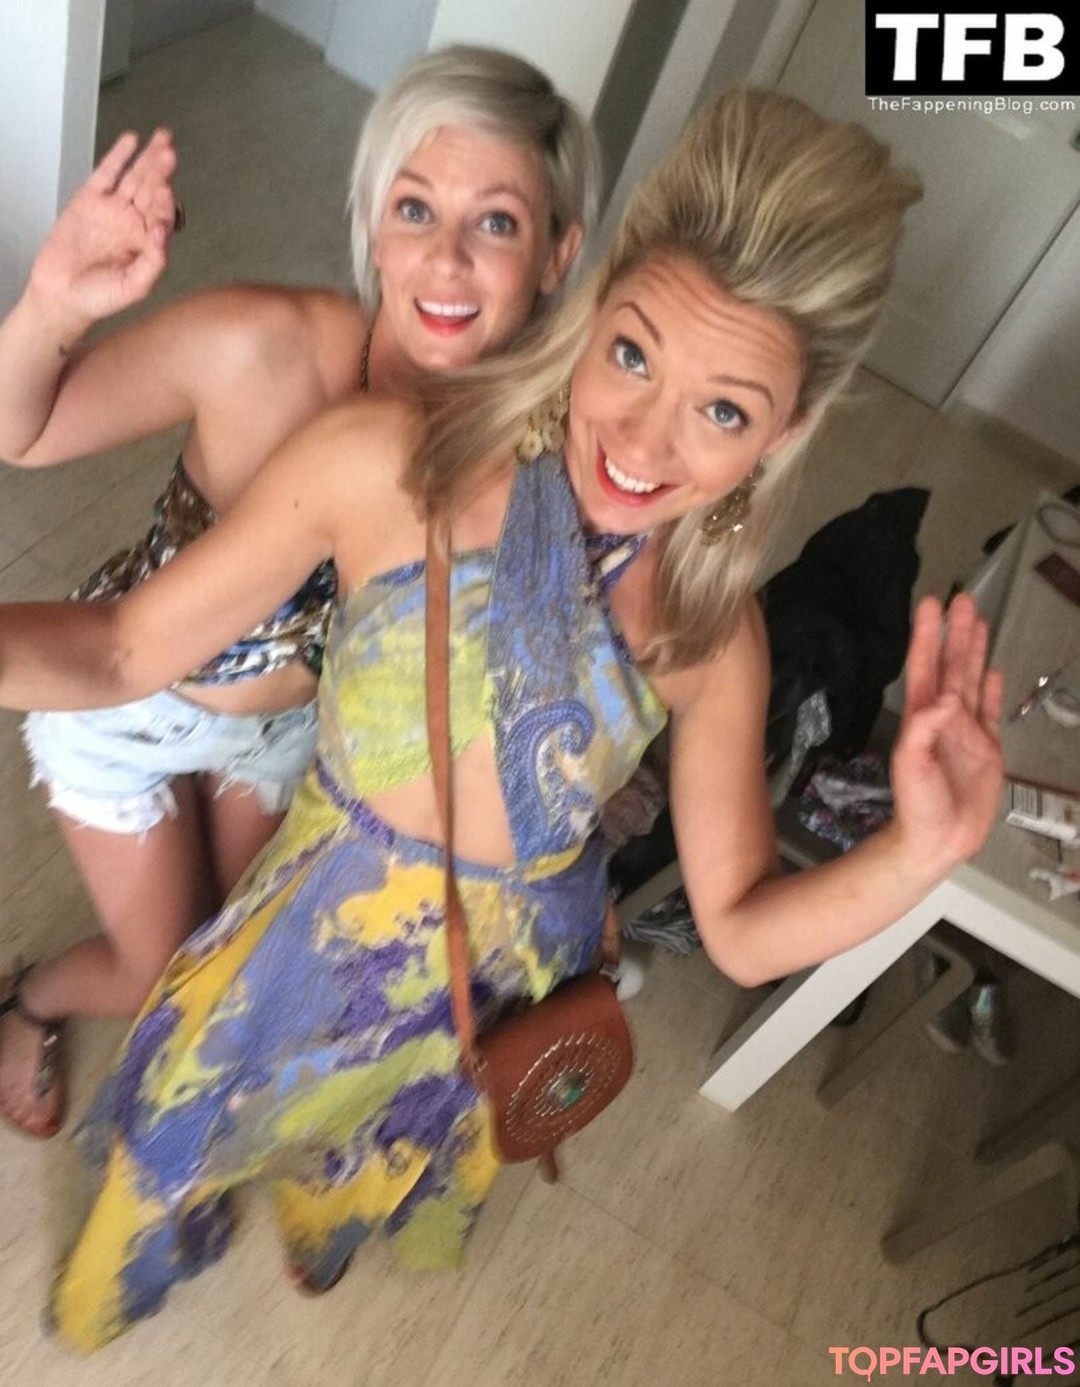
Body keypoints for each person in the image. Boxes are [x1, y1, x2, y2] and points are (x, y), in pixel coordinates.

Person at [0, 86, 1001, 1352]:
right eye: (632, 356)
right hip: (308, 929)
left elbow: (744, 928)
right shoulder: (390, 463)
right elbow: (117, 648)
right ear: (591, 309)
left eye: (724, 411)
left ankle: (325, 1222)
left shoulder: (710, 631)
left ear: (783, 431)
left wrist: (921, 850)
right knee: (186, 1127)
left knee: (384, 1150)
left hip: (504, 977)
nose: (642, 439)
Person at [0, 46, 596, 1138]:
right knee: (154, 975)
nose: (446, 260)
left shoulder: (534, 446)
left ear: (558, 252)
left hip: (285, 741)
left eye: (497, 222)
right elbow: (21, 432)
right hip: (126, 705)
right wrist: (50, 305)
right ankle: (31, 998)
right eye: (414, 209)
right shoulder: (262, 344)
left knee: (220, 956)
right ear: (371, 219)